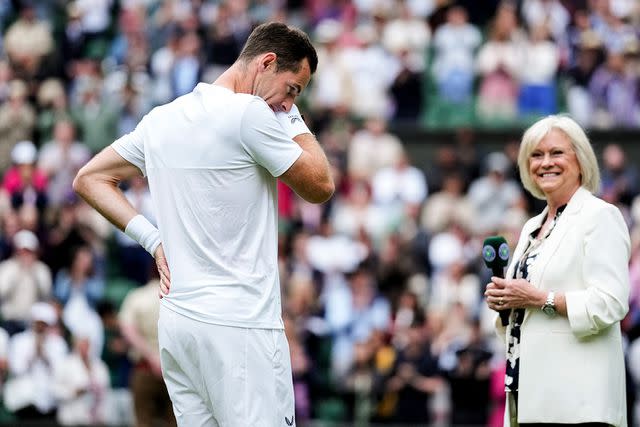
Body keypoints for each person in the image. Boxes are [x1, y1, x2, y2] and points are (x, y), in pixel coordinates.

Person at [73, 22, 334, 427]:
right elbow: (320, 185)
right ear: (266, 63)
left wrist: (153, 241)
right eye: (292, 88)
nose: (286, 103)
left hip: (179, 326)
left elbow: (89, 178)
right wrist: (293, 118)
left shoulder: (162, 118)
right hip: (241, 328)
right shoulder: (251, 113)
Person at [484, 115, 630, 427]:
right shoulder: (530, 227)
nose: (545, 163)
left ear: (580, 159)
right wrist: (504, 302)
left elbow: (611, 303)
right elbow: (525, 306)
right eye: (536, 155)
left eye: (556, 153)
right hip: (530, 397)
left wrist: (541, 298)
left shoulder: (600, 216)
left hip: (579, 405)